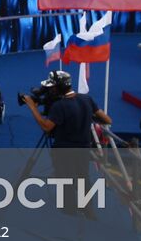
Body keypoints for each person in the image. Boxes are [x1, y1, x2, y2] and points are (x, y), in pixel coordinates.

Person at [22, 69, 112, 217]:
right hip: (84, 148)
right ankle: (88, 209)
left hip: (63, 149)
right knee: (83, 178)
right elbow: (107, 120)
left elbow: (46, 127)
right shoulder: (87, 99)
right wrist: (87, 116)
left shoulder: (59, 106)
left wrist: (32, 107)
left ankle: (69, 211)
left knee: (65, 179)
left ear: (57, 88)